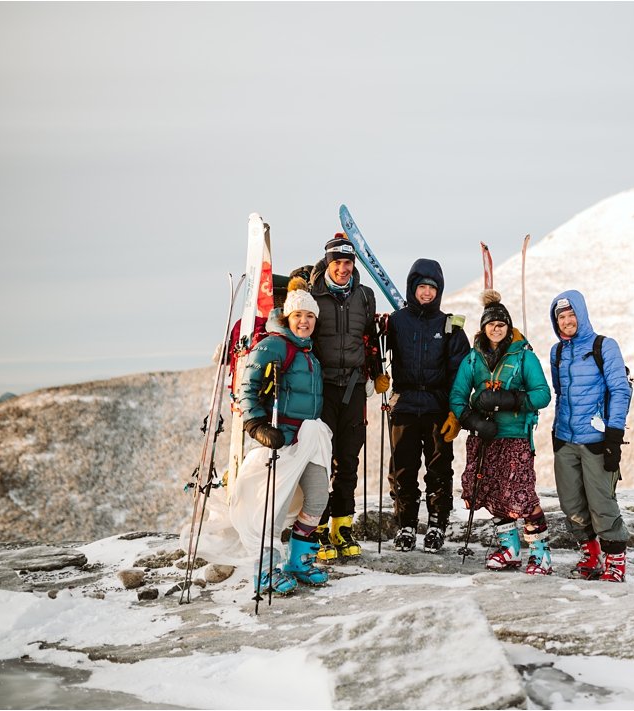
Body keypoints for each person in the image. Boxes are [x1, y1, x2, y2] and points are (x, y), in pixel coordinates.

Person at [192, 279, 333, 595]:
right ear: (287, 318)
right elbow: (248, 387)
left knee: (318, 498)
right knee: (274, 506)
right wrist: (256, 426)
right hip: (279, 438)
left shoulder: (310, 354)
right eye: (298, 316)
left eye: (310, 316)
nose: (304, 321)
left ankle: (299, 562)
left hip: (309, 437)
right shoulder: (274, 345)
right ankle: (266, 571)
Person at [451, 291, 553, 573]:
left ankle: (541, 553)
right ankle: (510, 549)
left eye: (502, 324)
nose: (496, 328)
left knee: (521, 494)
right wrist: (473, 421)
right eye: (491, 323)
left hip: (516, 436)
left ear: (508, 327)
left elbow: (543, 394)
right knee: (493, 493)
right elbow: (458, 396)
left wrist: (512, 399)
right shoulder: (473, 359)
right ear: (483, 327)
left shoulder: (523, 356)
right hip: (485, 436)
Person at [306, 234, 386, 561]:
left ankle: (343, 524)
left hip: (354, 387)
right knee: (321, 460)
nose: (342, 268)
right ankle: (319, 526)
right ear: (327, 263)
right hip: (322, 388)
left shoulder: (365, 297)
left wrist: (377, 371)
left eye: (347, 262)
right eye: (337, 262)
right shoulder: (313, 296)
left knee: (348, 458)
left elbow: (370, 338)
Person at [547, 289, 633, 582]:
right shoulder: (556, 352)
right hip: (565, 438)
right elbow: (560, 394)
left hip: (596, 440)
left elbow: (620, 390)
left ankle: (615, 558)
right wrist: (556, 434)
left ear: (581, 316)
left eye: (572, 315)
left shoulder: (604, 346)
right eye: (562, 317)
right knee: (571, 502)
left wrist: (614, 436)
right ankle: (590, 552)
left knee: (601, 501)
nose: (567, 321)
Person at [384, 259, 469, 552]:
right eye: (421, 287)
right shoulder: (395, 321)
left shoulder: (450, 326)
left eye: (432, 288)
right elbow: (377, 352)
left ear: (439, 291)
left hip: (436, 406)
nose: (427, 293)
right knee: (403, 469)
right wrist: (378, 374)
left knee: (439, 469)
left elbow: (461, 371)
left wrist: (455, 412)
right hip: (405, 404)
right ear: (412, 288)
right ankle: (406, 525)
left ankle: (436, 525)